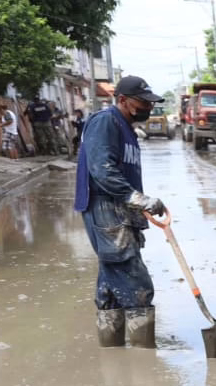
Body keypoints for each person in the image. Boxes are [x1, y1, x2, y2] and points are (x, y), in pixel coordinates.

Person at [73, 75, 167, 349]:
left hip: (120, 209)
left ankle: (113, 353)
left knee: (110, 288)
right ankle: (144, 356)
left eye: (150, 103)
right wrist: (139, 199)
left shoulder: (126, 128)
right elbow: (102, 170)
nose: (148, 108)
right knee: (136, 283)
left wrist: (138, 205)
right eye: (143, 102)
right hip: (105, 208)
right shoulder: (106, 122)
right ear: (123, 100)